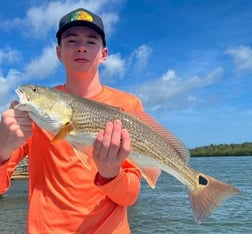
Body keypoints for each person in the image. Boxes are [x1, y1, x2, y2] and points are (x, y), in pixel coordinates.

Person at [0, 8, 144, 234]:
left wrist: (110, 173)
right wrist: (2, 149)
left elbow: (130, 196)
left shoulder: (129, 106)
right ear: (58, 52)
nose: (81, 47)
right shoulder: (30, 112)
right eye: (71, 40)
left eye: (91, 40)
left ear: (104, 54)